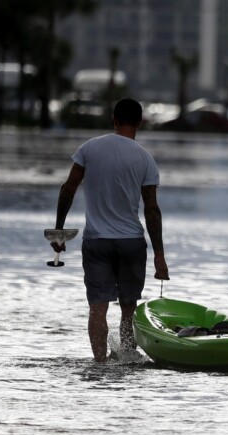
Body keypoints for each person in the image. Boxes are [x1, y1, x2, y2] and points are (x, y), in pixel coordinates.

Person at [50, 98, 170, 363]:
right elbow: (152, 209)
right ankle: (126, 357)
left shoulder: (89, 149)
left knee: (98, 308)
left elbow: (68, 188)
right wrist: (159, 255)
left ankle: (100, 364)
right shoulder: (146, 160)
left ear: (113, 120)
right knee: (129, 309)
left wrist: (59, 231)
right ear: (140, 122)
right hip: (131, 242)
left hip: (97, 242)